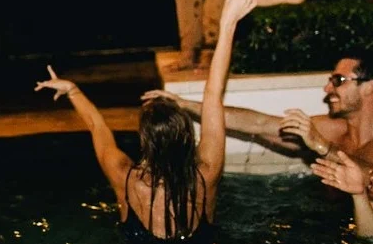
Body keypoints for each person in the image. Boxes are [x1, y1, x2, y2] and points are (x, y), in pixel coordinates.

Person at [36, 0, 256, 244]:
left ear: (145, 141)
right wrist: (228, 24)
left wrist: (72, 90)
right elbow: (213, 94)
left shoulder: (124, 177)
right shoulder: (206, 175)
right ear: (188, 135)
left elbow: (96, 125)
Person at [143, 51, 373, 171]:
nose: (327, 88)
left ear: (369, 87)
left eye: (338, 80)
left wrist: (321, 146)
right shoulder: (332, 129)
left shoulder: (326, 138)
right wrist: (184, 103)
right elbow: (257, 123)